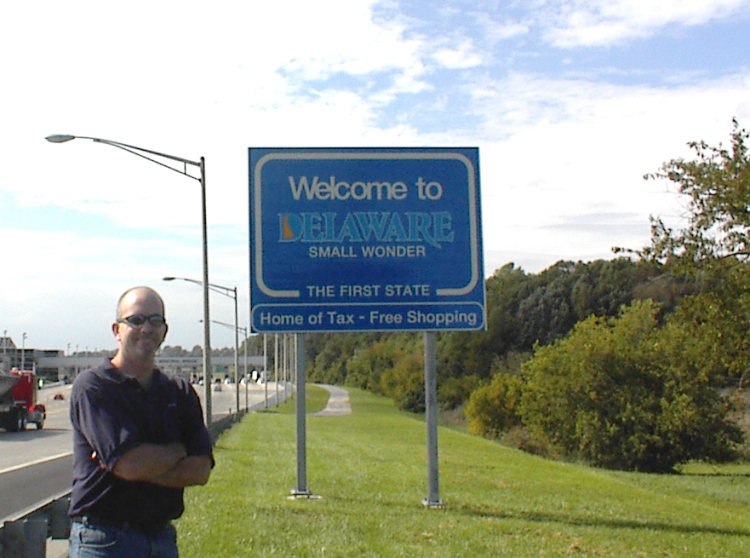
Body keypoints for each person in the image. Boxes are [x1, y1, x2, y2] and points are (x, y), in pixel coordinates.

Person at [69, 286, 213, 558]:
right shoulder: (94, 387)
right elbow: (129, 465)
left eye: (155, 321)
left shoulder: (179, 392)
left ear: (164, 331)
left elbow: (200, 471)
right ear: (117, 330)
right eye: (135, 320)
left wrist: (128, 466)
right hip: (103, 540)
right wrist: (178, 450)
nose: (146, 328)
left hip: (161, 539)